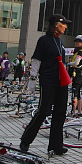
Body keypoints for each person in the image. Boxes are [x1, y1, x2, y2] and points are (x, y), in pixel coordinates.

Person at [20, 13, 72, 155]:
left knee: (60, 113)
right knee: (43, 111)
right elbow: (37, 60)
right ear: (56, 25)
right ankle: (25, 140)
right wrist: (32, 80)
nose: (66, 27)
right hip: (48, 80)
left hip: (61, 81)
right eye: (64, 24)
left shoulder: (60, 42)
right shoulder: (43, 40)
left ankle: (56, 145)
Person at [68, 34, 82, 115]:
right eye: (76, 42)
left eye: (79, 42)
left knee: (75, 93)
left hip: (79, 74)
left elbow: (76, 63)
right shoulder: (77, 52)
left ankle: (74, 111)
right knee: (77, 93)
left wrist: (69, 63)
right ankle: (78, 111)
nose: (76, 43)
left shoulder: (81, 52)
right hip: (77, 73)